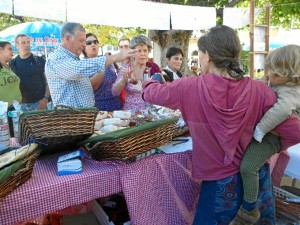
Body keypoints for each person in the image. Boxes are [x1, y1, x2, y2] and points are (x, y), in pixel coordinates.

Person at [142, 25, 300, 224]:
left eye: (199, 54)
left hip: (218, 186)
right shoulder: (261, 91)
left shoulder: (189, 87)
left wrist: (149, 81)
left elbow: (151, 93)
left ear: (207, 56)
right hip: (256, 183)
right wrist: (267, 146)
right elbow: (295, 132)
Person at [230, 44, 300, 224]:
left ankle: (249, 209)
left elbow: (282, 111)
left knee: (248, 167)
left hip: (272, 137)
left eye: (273, 74)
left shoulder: (291, 91)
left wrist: (260, 129)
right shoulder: (283, 84)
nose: (269, 76)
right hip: (273, 134)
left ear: (288, 75)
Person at [45, 22, 136, 108]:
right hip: (71, 120)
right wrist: (115, 57)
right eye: (81, 41)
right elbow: (78, 69)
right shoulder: (55, 58)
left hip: (82, 118)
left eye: (86, 41)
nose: (84, 45)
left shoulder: (73, 59)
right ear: (68, 38)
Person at [112, 35, 160, 112]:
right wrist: (123, 80)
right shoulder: (126, 68)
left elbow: (161, 90)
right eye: (139, 51)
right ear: (133, 53)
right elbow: (115, 92)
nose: (142, 54)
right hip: (131, 115)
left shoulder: (153, 68)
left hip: (150, 114)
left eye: (145, 50)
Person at [9, 34, 50, 112]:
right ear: (17, 45)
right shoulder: (12, 63)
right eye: (23, 43)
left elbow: (49, 81)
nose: (27, 45)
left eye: (28, 42)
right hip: (21, 106)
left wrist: (45, 99)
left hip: (39, 104)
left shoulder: (39, 61)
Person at [82, 33, 122, 111]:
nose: (93, 44)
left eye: (95, 42)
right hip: (99, 109)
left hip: (117, 106)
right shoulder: (83, 64)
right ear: (84, 48)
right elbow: (91, 87)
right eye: (89, 43)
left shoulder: (106, 59)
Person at [0, 41, 22, 138]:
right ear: (1, 50)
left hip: (14, 109)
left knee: (16, 139)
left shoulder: (9, 67)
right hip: (3, 112)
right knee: (8, 140)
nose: (12, 52)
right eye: (9, 49)